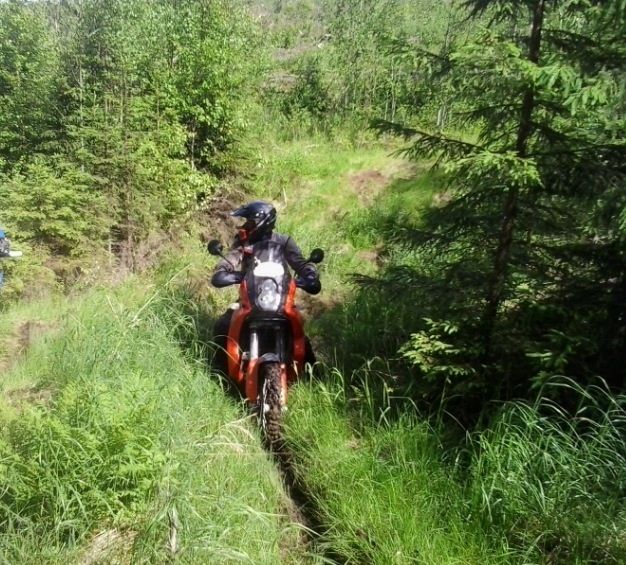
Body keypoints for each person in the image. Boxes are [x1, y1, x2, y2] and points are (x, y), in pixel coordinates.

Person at [211, 200, 320, 370]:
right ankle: (219, 374)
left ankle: (314, 377)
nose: (245, 226)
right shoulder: (243, 243)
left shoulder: (284, 242)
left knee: (299, 333)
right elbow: (230, 259)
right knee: (223, 324)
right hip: (249, 299)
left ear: (261, 222)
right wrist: (222, 270)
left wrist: (310, 274)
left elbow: (300, 263)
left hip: (280, 298)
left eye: (249, 222)